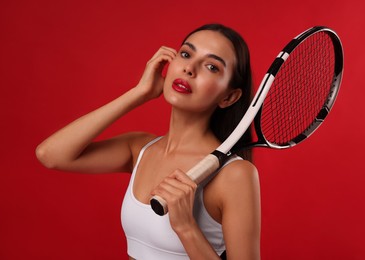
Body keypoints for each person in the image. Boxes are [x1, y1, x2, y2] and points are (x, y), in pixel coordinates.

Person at [36, 23, 260, 259]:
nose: (189, 69)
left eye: (211, 67)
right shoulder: (140, 149)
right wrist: (140, 92)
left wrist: (186, 228)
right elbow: (50, 155)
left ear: (229, 96)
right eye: (185, 54)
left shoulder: (235, 174)